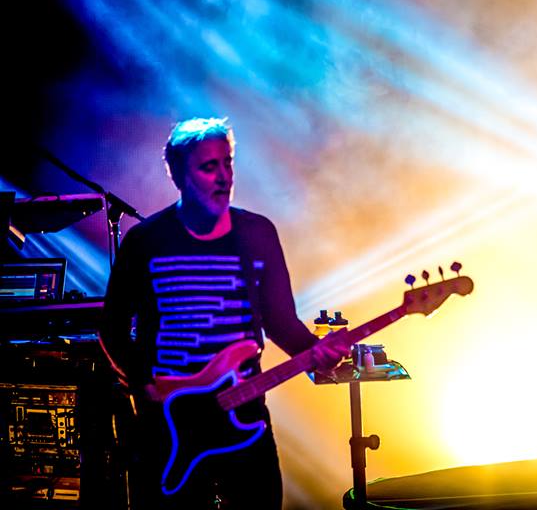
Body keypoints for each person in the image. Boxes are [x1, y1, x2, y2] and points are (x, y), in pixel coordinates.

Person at [99, 117, 350, 508]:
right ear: (179, 174)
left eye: (228, 163)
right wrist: (144, 384)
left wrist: (319, 352)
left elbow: (280, 321)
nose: (223, 176)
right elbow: (112, 328)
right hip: (169, 424)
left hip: (244, 417)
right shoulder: (146, 240)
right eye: (208, 166)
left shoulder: (258, 234)